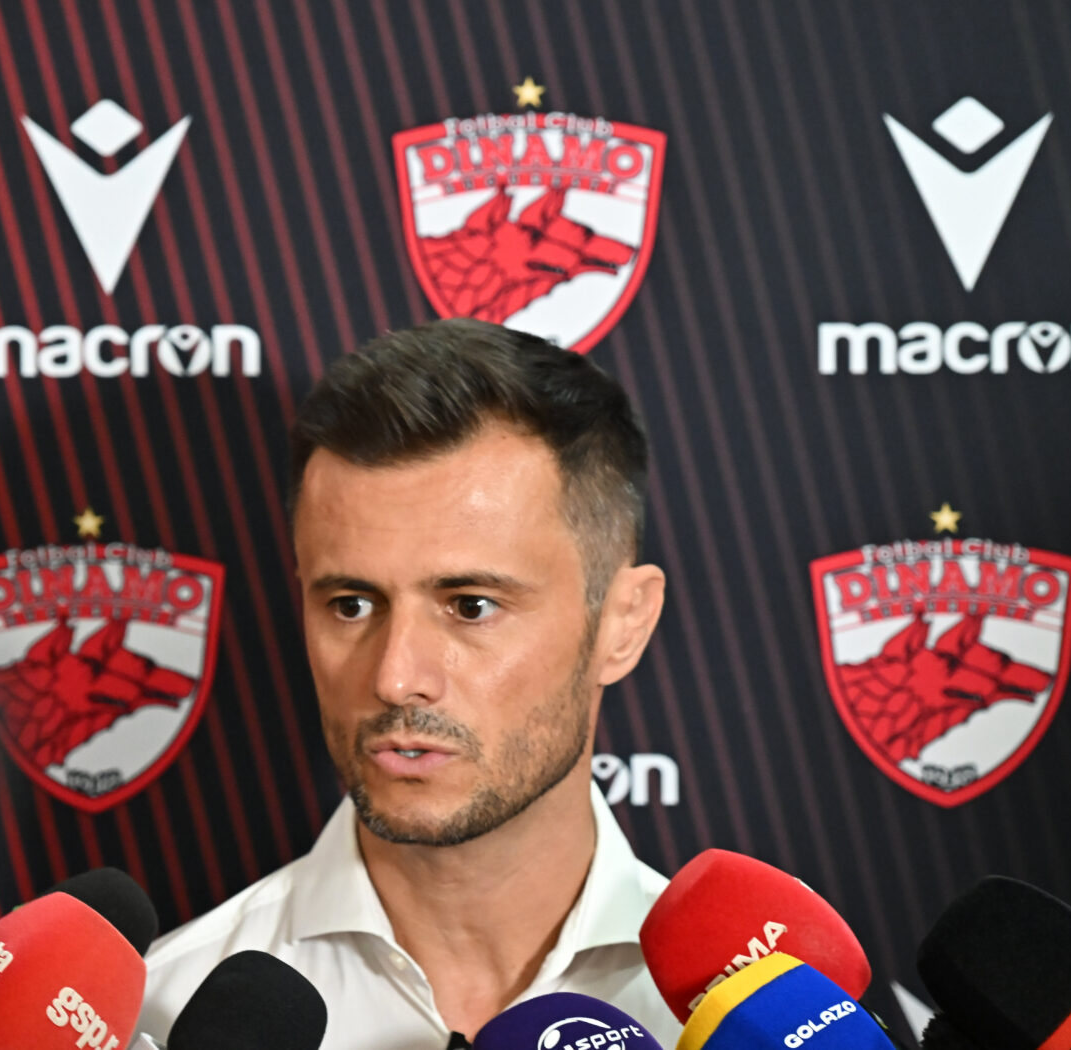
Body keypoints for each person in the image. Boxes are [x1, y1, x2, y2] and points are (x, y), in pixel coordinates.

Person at [136, 319, 676, 1048]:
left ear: (623, 623)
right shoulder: (159, 1016)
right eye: (350, 605)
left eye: (471, 607)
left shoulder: (745, 1018)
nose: (395, 679)